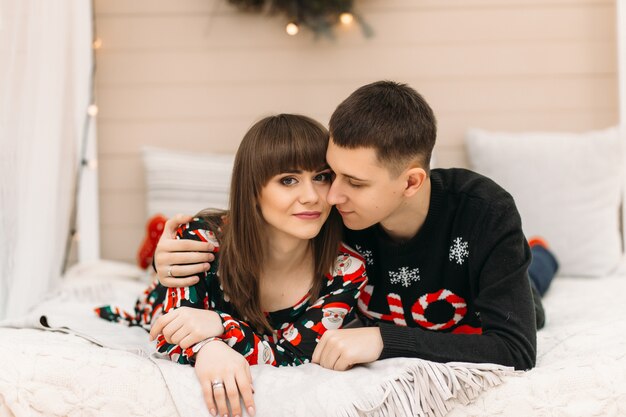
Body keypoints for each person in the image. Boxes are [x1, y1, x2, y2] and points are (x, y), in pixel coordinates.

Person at [154, 81, 558, 374]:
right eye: (334, 174)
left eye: (355, 183)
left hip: (483, 296)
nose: (327, 197)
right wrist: (166, 257)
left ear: (411, 183)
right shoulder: (332, 219)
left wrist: (385, 339)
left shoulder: (485, 213)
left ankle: (538, 255)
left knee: (532, 287)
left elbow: (516, 349)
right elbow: (263, 214)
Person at [96, 114, 367, 417]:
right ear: (253, 190)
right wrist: (209, 348)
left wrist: (221, 326)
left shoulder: (346, 269)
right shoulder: (202, 238)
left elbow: (294, 357)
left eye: (321, 177)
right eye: (288, 180)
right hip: (161, 298)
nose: (311, 197)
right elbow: (173, 329)